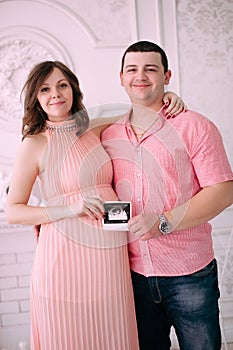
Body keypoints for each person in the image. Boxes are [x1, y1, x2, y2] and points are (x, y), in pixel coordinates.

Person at [6, 60, 185, 349]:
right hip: (63, 257)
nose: (56, 94)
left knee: (112, 333)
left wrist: (167, 98)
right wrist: (70, 208)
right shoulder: (35, 143)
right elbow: (14, 210)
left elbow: (142, 112)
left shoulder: (94, 126)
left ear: (73, 89)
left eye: (62, 85)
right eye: (45, 89)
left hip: (109, 254)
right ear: (36, 98)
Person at [101, 41, 233, 350]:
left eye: (151, 69)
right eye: (132, 69)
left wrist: (163, 222)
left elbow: (224, 191)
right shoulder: (107, 134)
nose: (140, 76)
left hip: (189, 274)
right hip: (131, 275)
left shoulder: (196, 127)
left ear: (167, 75)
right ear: (121, 77)